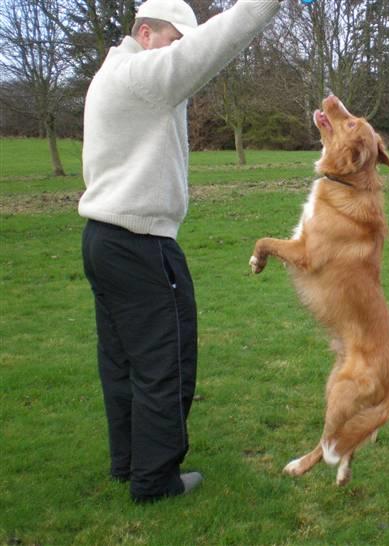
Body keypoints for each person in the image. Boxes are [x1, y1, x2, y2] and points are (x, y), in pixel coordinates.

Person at [79, 0, 282, 503]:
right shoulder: (139, 75)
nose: (182, 55)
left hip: (105, 241)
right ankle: (155, 481)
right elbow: (220, 41)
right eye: (176, 42)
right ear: (145, 33)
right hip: (139, 244)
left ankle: (129, 464)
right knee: (165, 363)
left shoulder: (113, 75)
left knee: (122, 363)